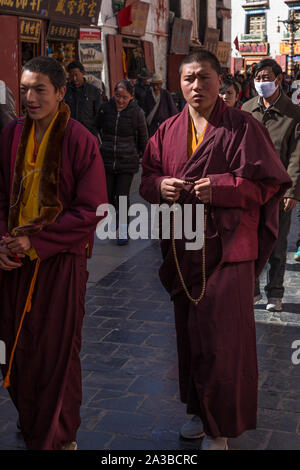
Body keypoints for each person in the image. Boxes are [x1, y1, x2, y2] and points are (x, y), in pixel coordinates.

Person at [139, 50, 291, 451]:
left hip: (227, 251)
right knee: (189, 334)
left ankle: (219, 427)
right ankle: (197, 410)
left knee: (222, 340)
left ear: (219, 80)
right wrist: (159, 187)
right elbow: (147, 177)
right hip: (182, 246)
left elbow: (270, 185)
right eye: (188, 79)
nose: (195, 86)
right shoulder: (167, 129)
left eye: (203, 78)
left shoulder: (242, 127)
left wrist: (225, 188)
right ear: (180, 82)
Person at [0, 56, 107, 450]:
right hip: (14, 260)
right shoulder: (11, 134)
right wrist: (4, 241)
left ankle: (59, 434)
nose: (29, 97)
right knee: (16, 346)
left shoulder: (79, 139)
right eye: (25, 88)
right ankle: (32, 417)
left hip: (60, 260)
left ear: (61, 93)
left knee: (57, 350)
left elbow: (92, 208)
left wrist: (37, 242)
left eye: (39, 89)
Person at [242, 59, 300, 312]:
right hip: (250, 190)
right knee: (248, 242)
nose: (261, 81)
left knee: (277, 244)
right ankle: (251, 290)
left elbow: (298, 155)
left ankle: (275, 294)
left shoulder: (293, 114)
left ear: (278, 79)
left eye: (266, 76)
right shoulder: (246, 109)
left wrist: (293, 191)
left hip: (278, 191)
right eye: (257, 77)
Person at [97, 79, 148, 245]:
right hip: (107, 160)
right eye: (118, 96)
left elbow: (143, 138)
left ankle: (123, 230)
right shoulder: (105, 109)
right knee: (108, 197)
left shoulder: (137, 113)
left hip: (127, 162)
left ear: (131, 97)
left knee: (122, 197)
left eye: (124, 97)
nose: (120, 100)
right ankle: (114, 222)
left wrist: (144, 159)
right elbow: (95, 128)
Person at [64, 60, 103, 138]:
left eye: (76, 75)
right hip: (70, 133)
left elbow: (99, 114)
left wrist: (95, 131)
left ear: (83, 73)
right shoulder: (65, 91)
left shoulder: (93, 91)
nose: (74, 79)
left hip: (88, 133)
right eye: (71, 76)